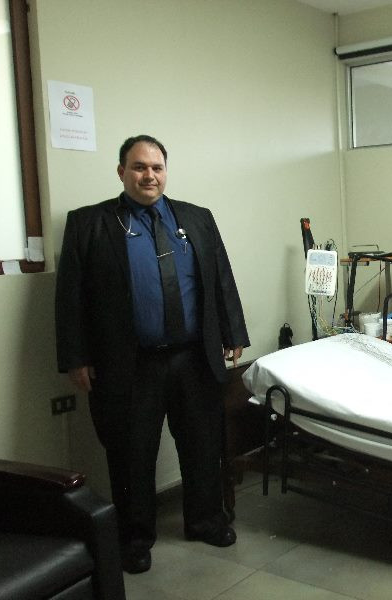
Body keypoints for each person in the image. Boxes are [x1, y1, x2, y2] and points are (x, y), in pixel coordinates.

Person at [55, 135, 250, 574]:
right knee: (131, 454)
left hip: (193, 357)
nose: (149, 175)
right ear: (121, 171)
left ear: (166, 171)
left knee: (202, 443)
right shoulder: (90, 224)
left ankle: (205, 520)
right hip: (129, 363)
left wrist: (232, 330)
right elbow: (70, 296)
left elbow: (219, 276)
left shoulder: (196, 218)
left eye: (157, 167)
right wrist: (75, 357)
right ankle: (135, 537)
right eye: (139, 167)